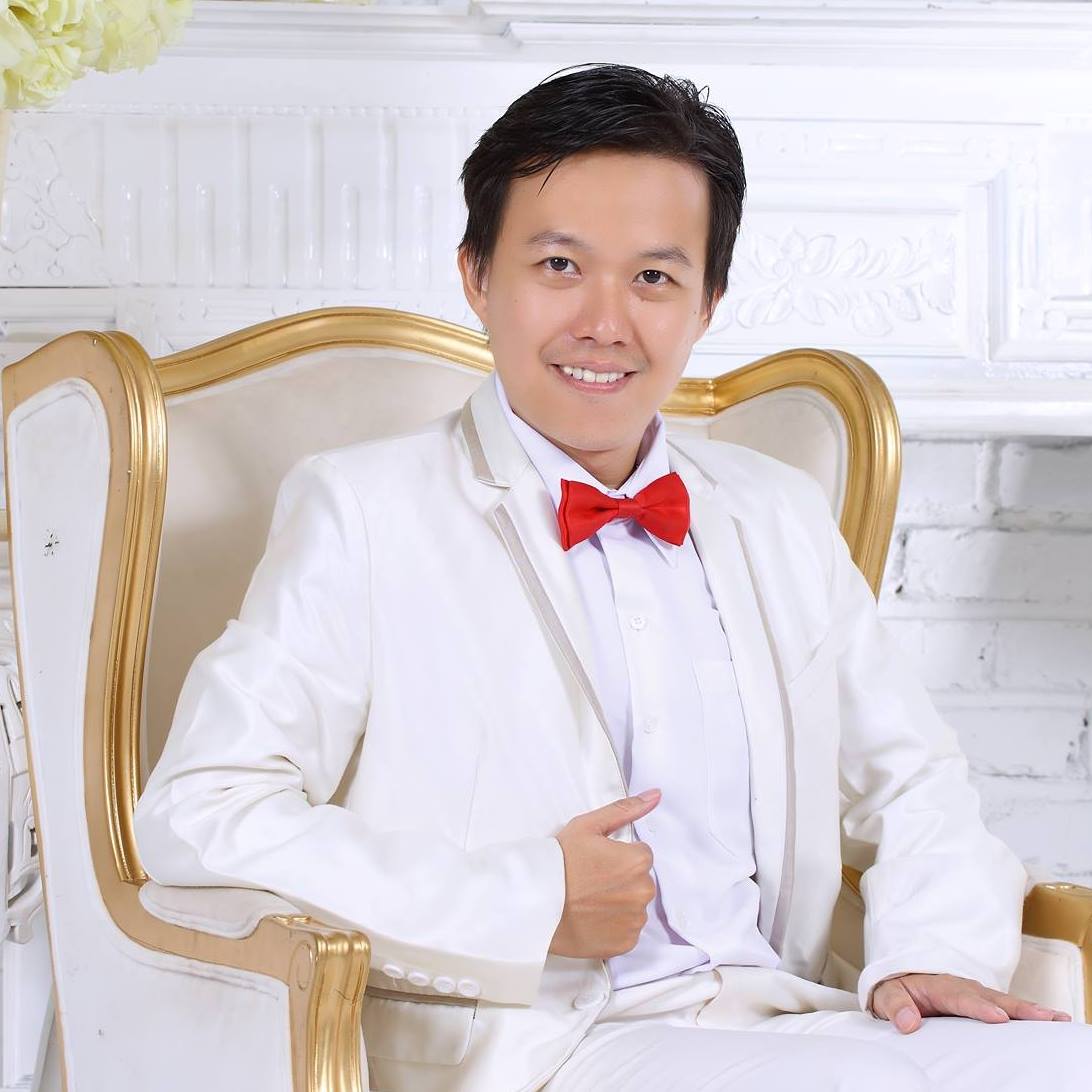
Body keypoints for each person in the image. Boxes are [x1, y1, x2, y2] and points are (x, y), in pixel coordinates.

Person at [134, 63, 1091, 1090]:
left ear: (708, 302)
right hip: (546, 1049)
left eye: (654, 278)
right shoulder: (363, 510)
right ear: (477, 276)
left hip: (784, 1017)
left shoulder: (775, 513)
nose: (605, 322)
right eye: (559, 265)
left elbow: (912, 778)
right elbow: (203, 814)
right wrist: (529, 898)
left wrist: (929, 950)